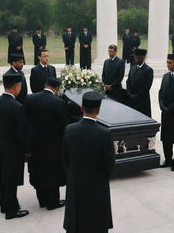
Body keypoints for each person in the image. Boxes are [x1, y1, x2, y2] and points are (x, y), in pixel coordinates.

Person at [62, 91, 115, 233]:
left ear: (81, 108)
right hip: (97, 185)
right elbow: (109, 163)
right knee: (96, 221)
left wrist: (73, 174)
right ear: (98, 110)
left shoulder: (69, 129)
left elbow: (66, 158)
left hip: (75, 182)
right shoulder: (105, 133)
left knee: (76, 221)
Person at [0, 73, 29, 220]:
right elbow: (22, 134)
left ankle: (4, 206)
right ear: (16, 87)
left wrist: (1, 137)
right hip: (13, 149)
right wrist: (27, 150)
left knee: (1, 177)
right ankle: (11, 211)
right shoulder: (17, 107)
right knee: (11, 179)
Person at [24, 77, 69, 210]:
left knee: (38, 171)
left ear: (45, 85)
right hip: (52, 146)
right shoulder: (59, 102)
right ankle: (52, 202)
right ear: (56, 88)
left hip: (34, 144)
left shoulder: (29, 99)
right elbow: (64, 126)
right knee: (52, 173)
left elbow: (25, 121)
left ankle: (42, 200)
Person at [126, 49, 153, 117]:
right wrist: (129, 94)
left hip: (142, 101)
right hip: (131, 100)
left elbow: (146, 87)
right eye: (135, 57)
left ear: (143, 57)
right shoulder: (132, 68)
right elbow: (128, 82)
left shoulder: (148, 70)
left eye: (138, 57)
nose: (136, 59)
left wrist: (136, 96)